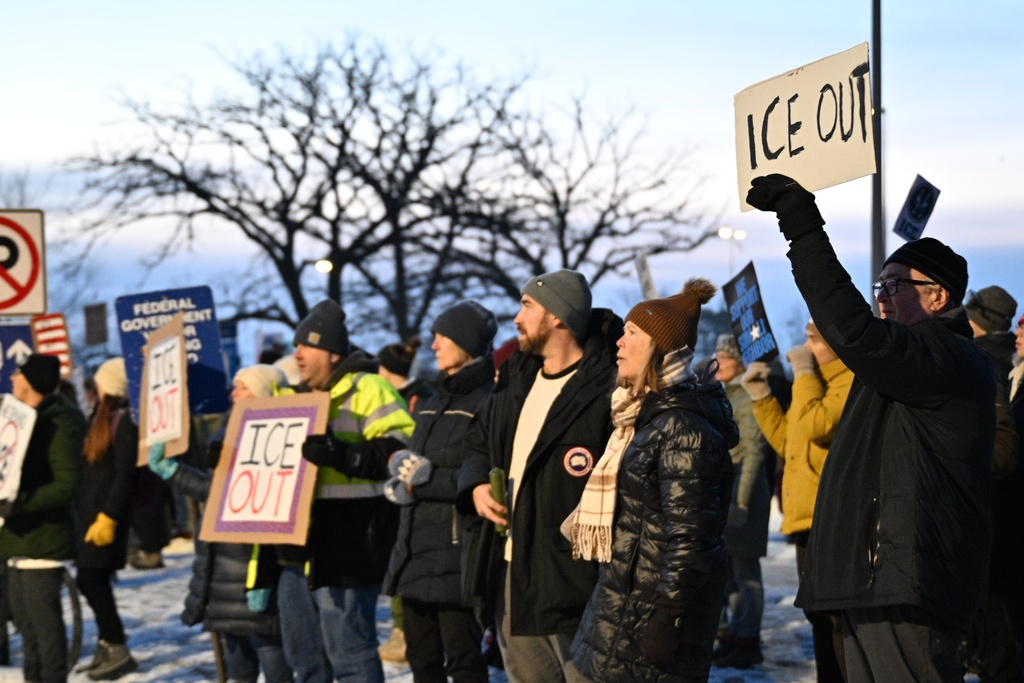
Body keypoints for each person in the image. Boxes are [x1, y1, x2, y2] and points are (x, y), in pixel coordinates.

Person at [747, 174, 995, 681]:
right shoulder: (902, 367)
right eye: (878, 286)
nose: (881, 297)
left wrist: (802, 227)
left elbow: (853, 330)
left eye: (895, 286)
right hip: (875, 576)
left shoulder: (945, 356)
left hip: (908, 577)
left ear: (938, 297)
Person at [456, 269, 623, 683]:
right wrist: (476, 486)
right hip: (511, 571)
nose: (516, 318)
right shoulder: (517, 379)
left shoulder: (607, 389)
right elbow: (479, 440)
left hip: (574, 580)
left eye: (527, 306)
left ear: (558, 318)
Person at [570, 279, 737, 682]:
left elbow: (691, 539)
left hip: (645, 627)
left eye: (632, 334)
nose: (619, 344)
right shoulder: (640, 418)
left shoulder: (682, 430)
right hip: (621, 615)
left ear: (660, 351)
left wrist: (669, 619)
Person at [291, 299, 417, 683]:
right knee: (328, 647)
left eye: (305, 346)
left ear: (331, 353)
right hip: (315, 538)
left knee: (350, 647)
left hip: (354, 533)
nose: (296, 354)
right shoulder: (303, 397)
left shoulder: (369, 387)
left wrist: (340, 454)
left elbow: (401, 449)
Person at [148, 364, 293, 683]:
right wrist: (173, 471)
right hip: (222, 564)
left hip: (253, 566)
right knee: (237, 663)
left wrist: (266, 575)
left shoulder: (283, 439)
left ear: (263, 394)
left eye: (242, 387)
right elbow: (219, 495)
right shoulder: (227, 433)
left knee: (271, 653)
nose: (233, 393)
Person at [383, 301, 498, 683]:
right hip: (415, 552)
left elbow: (482, 478)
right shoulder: (432, 404)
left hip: (457, 557)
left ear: (464, 344)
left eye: (441, 337)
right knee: (422, 662)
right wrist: (401, 479)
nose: (432, 346)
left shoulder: (487, 402)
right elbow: (417, 465)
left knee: (464, 663)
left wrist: (423, 481)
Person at [740, 321, 853, 682]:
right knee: (819, 618)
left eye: (814, 340)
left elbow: (817, 424)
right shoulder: (816, 384)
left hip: (833, 522)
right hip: (807, 520)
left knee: (838, 621)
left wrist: (804, 373)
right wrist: (761, 397)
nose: (805, 347)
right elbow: (791, 443)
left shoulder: (849, 381)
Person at [0, 354, 86, 683]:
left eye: (18, 373)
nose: (12, 379)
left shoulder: (57, 423)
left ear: (32, 382)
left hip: (43, 540)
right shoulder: (20, 417)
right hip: (17, 539)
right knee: (28, 631)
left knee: (45, 631)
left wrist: (19, 503)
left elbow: (66, 485)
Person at [74, 358, 140, 680]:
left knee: (90, 578)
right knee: (91, 578)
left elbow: (124, 475)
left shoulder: (124, 420)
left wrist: (109, 516)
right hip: (91, 514)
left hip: (107, 515)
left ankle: (117, 646)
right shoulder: (102, 417)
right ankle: (108, 642)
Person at [710, 334, 771, 670]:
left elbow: (752, 452)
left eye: (724, 355)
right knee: (731, 570)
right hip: (728, 495)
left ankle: (748, 640)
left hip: (744, 495)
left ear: (739, 361)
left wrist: (742, 504)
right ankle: (736, 634)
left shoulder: (745, 398)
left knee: (746, 571)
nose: (717, 360)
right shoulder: (726, 394)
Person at [375, 335, 435, 663]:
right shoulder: (415, 394)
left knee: (403, 559)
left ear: (386, 369)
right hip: (398, 490)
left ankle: (404, 632)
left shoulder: (415, 398)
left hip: (412, 490)